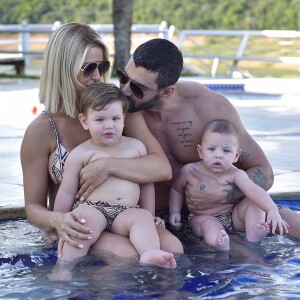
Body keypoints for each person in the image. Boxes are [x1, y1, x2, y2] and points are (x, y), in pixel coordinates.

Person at [80, 38, 300, 242]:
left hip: (227, 210)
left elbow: (264, 171)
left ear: (166, 92)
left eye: (137, 88)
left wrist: (224, 192)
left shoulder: (207, 107)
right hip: (162, 218)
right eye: (123, 77)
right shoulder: (115, 114)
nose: (125, 90)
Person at [21, 23, 183, 259]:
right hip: (81, 222)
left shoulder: (117, 112)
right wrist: (58, 220)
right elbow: (32, 208)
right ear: (64, 69)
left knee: (174, 248)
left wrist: (106, 166)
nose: (97, 76)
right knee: (127, 255)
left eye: (102, 66)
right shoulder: (42, 130)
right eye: (88, 69)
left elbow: (160, 167)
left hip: (126, 216)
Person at [53, 83, 176, 274]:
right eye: (100, 119)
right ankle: (65, 268)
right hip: (94, 209)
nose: (109, 125)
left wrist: (150, 214)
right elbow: (67, 191)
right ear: (85, 121)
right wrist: (59, 222)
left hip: (126, 212)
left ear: (124, 119)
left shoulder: (136, 147)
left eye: (115, 118)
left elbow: (146, 184)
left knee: (142, 217)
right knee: (81, 223)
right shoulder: (81, 153)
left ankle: (149, 252)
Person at [168, 120, 289, 250]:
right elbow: (177, 190)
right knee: (209, 226)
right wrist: (174, 211)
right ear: (200, 151)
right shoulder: (190, 171)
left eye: (226, 151)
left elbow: (253, 190)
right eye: (211, 149)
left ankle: (253, 231)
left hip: (232, 217)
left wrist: (272, 209)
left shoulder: (236, 174)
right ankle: (218, 242)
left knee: (253, 201)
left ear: (236, 155)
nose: (218, 155)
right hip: (202, 216)